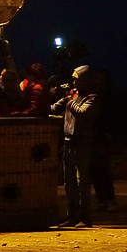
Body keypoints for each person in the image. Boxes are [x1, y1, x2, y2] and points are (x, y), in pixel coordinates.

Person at [51, 65, 99, 228]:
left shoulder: (92, 98)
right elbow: (53, 108)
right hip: (68, 143)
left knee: (81, 182)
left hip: (82, 145)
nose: (73, 82)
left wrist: (69, 101)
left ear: (84, 80)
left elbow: (82, 113)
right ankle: (72, 217)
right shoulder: (73, 95)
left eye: (76, 79)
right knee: (69, 183)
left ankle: (85, 218)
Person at [90, 69, 118, 212]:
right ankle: (101, 199)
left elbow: (112, 118)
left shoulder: (109, 98)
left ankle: (110, 199)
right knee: (95, 169)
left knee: (104, 169)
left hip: (103, 136)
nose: (98, 82)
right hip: (93, 136)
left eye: (101, 79)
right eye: (96, 79)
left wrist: (109, 134)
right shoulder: (93, 97)